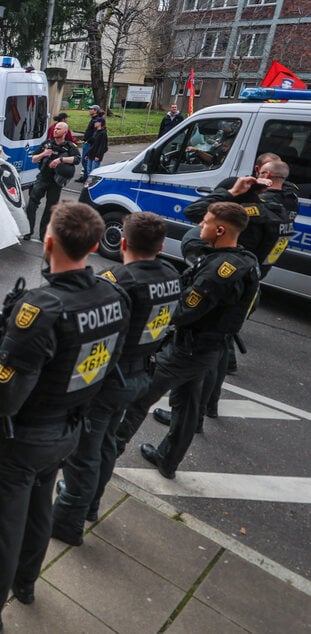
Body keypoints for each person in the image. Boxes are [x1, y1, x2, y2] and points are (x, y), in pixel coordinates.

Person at [0, 202, 129, 633]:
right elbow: (110, 365)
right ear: (97, 245)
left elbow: (2, 397)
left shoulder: (40, 310)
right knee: (40, 506)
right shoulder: (114, 296)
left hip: (24, 437)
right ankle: (25, 582)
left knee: (2, 527)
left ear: (48, 242)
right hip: (70, 428)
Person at [52, 212, 181, 546]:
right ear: (162, 245)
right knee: (107, 442)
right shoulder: (171, 274)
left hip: (110, 377)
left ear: (123, 242)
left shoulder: (120, 279)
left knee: (84, 453)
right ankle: (91, 503)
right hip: (140, 373)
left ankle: (68, 519)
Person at [116, 202, 260, 479]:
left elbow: (182, 312)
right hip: (210, 349)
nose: (200, 226)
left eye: (204, 222)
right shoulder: (246, 260)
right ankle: (168, 460)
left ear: (220, 229)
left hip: (187, 350)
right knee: (188, 406)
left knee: (137, 401)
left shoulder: (220, 270)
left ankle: (108, 451)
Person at [151, 159, 297, 429]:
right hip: (251, 280)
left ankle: (194, 412)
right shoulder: (287, 203)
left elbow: (193, 212)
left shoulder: (243, 211)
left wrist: (231, 194)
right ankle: (208, 406)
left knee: (205, 350)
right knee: (220, 345)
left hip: (222, 279)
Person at [24, 122, 80, 241]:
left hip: (56, 182)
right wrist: (44, 154)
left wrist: (60, 160)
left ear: (65, 132)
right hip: (43, 177)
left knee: (50, 208)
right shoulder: (47, 143)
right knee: (32, 204)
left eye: (58, 129)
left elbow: (77, 159)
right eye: (55, 128)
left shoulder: (69, 146)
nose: (55, 130)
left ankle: (43, 234)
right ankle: (27, 231)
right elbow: (34, 159)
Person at [75, 105, 101, 182]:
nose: (89, 110)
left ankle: (87, 177)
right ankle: (85, 176)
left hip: (90, 144)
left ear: (95, 111)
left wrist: (89, 140)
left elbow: (96, 133)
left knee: (86, 160)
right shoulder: (93, 119)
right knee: (85, 160)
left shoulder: (96, 120)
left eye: (91, 109)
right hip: (88, 142)